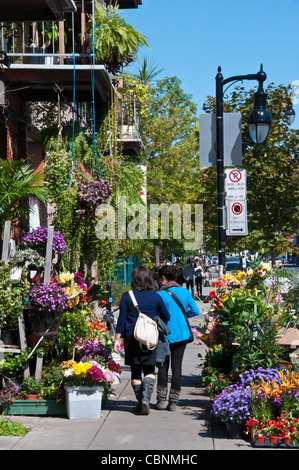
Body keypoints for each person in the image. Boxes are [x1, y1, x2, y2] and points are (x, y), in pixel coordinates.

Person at [114, 266, 170, 415]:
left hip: (132, 337)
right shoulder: (156, 296)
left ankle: (141, 402)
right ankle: (146, 399)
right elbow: (166, 316)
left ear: (134, 279)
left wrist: (117, 339)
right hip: (150, 338)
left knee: (136, 371)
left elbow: (121, 320)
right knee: (150, 370)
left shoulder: (127, 296)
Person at [155, 265, 199, 411]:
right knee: (177, 366)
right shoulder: (185, 292)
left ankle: (161, 400)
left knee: (162, 365)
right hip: (181, 334)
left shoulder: (159, 294)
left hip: (163, 334)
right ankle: (173, 402)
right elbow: (195, 310)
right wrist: (184, 316)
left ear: (163, 278)